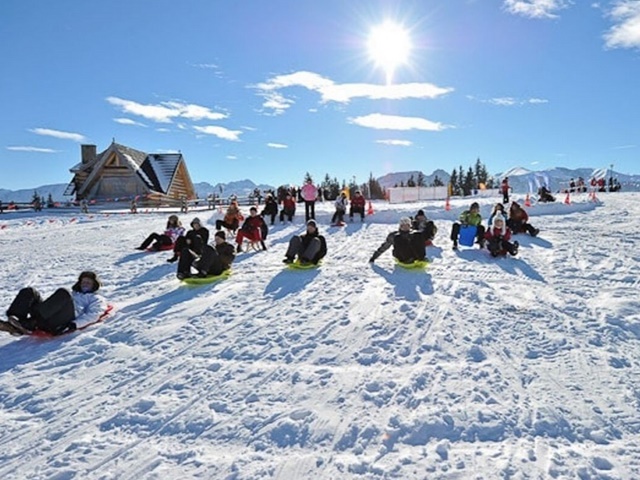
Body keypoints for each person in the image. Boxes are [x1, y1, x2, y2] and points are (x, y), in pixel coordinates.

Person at [2, 271, 107, 336]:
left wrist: (74, 325)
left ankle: (28, 324)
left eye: (88, 282)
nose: (85, 284)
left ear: (94, 285)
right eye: (83, 282)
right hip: (48, 316)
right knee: (30, 291)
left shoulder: (96, 298)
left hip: (62, 321)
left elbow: (94, 314)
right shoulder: (73, 294)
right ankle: (15, 321)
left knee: (63, 292)